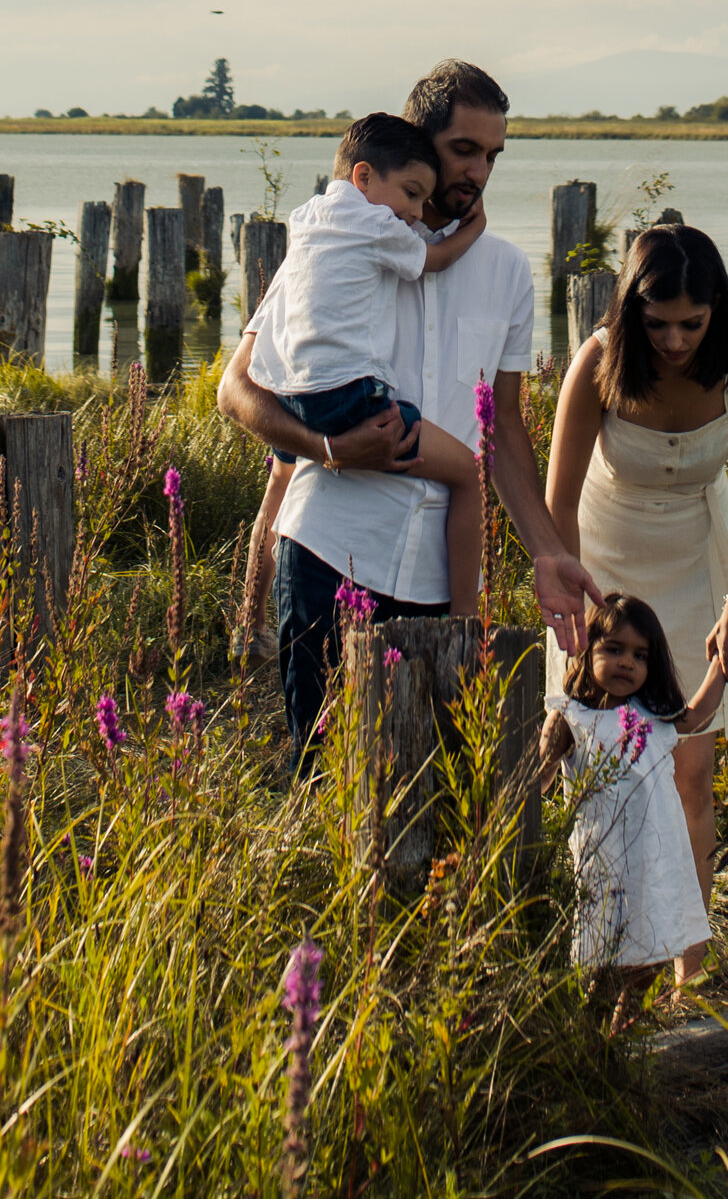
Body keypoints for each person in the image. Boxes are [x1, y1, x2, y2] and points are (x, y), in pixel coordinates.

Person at [221, 56, 605, 753]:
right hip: (329, 551)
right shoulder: (336, 242)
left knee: (438, 785)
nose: (480, 173)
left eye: (492, 155)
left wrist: (547, 550)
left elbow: (505, 432)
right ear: (418, 141)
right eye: (465, 150)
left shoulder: (507, 272)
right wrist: (329, 450)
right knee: (325, 774)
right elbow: (237, 389)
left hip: (443, 578)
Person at [543, 220, 728, 970]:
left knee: (690, 768)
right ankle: (602, 947)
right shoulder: (598, 362)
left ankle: (688, 960)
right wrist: (585, 616)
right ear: (631, 314)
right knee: (599, 767)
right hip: (606, 564)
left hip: (696, 558)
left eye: (692, 323)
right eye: (657, 324)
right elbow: (558, 507)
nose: (676, 340)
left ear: (718, 307)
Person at [241, 111, 483, 636]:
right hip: (350, 398)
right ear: (364, 177)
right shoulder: (377, 225)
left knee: (281, 477)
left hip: (292, 392)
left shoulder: (308, 221)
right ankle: (467, 627)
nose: (416, 213)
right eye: (412, 194)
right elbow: (433, 259)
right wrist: (473, 230)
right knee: (467, 472)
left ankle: (248, 620)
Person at [539, 592, 728, 1018]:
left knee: (656, 953)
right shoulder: (573, 717)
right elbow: (541, 776)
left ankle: (622, 1035)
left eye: (640, 655)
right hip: (607, 866)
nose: (627, 662)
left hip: (657, 861)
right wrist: (542, 760)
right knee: (607, 963)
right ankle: (594, 1040)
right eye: (614, 649)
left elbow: (697, 714)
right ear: (587, 650)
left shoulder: (652, 715)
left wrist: (721, 664)